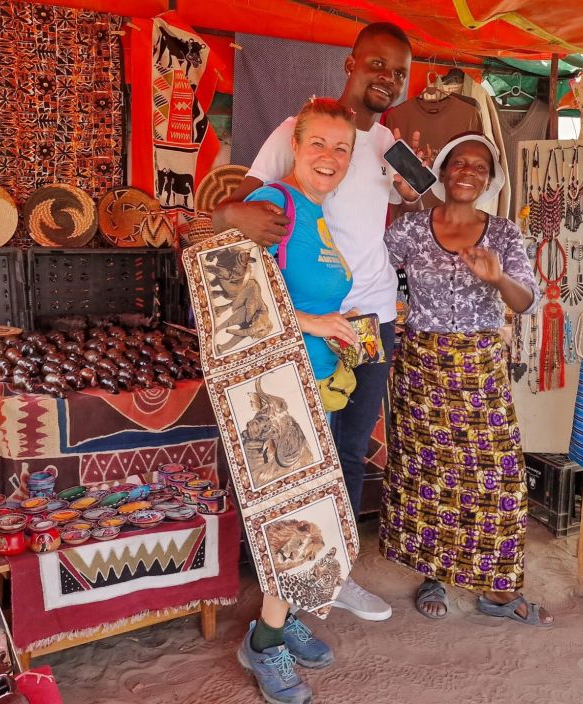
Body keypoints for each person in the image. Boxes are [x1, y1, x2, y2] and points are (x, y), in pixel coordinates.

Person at [214, 21, 418, 622]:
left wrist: (411, 187)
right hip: (307, 316)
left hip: (371, 315)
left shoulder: (386, 143)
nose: (387, 79)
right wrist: (227, 214)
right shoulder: (295, 129)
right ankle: (282, 583)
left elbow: (392, 206)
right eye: (377, 65)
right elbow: (245, 208)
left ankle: (336, 572)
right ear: (351, 63)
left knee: (348, 450)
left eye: (399, 72)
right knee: (295, 453)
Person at [379, 133, 553, 627]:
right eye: (459, 162)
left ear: (489, 179)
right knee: (427, 473)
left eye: (479, 165)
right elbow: (370, 272)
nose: (468, 171)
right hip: (422, 366)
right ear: (442, 170)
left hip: (479, 367)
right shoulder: (411, 229)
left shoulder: (503, 234)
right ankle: (432, 575)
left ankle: (497, 590)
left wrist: (497, 278)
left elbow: (526, 302)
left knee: (498, 474)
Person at [235, 98, 361, 704]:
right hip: (278, 394)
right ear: (295, 146)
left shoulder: (316, 212)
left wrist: (337, 327)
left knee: (305, 514)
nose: (329, 157)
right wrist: (313, 323)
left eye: (342, 148)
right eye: (319, 144)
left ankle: (279, 620)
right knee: (291, 519)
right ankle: (264, 643)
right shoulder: (274, 204)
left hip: (314, 385)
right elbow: (235, 297)